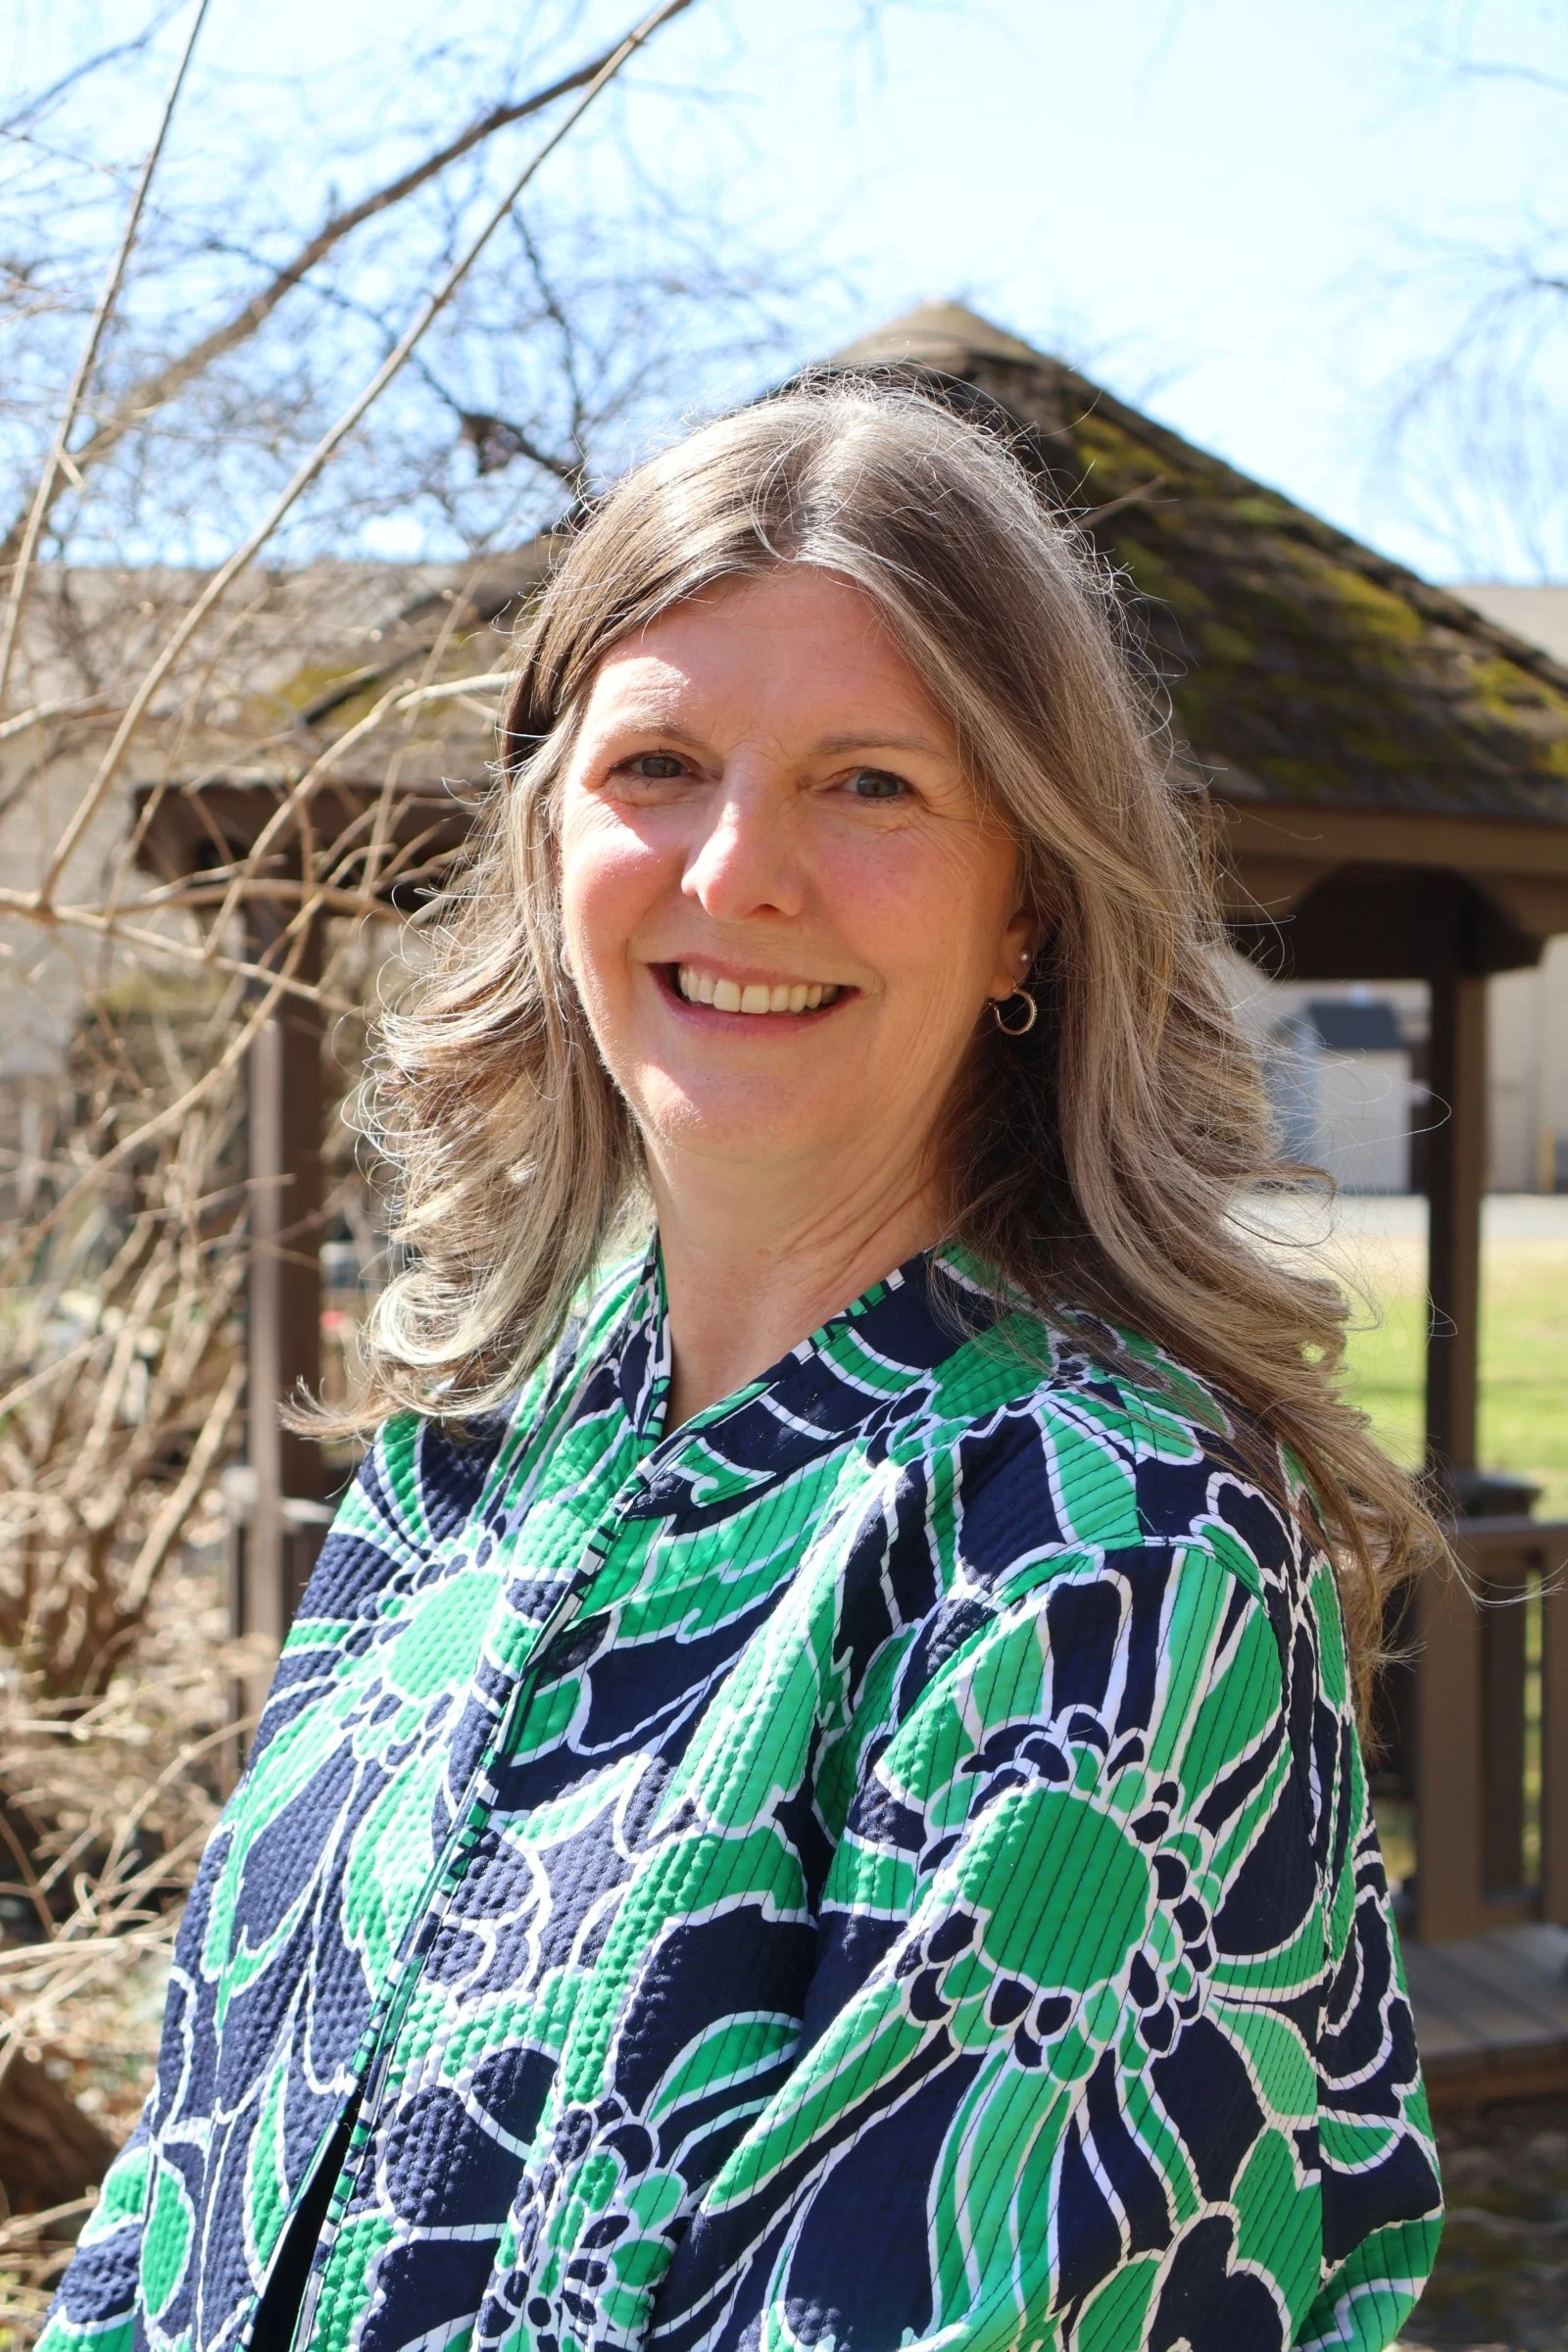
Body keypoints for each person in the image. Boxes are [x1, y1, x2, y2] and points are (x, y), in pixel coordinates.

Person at [43, 373, 1443, 2352]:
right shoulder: (461, 1470)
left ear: (1027, 907)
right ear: (550, 843)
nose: (732, 874)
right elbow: (181, 2192)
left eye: (867, 784)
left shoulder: (1099, 1562)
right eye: (659, 766)